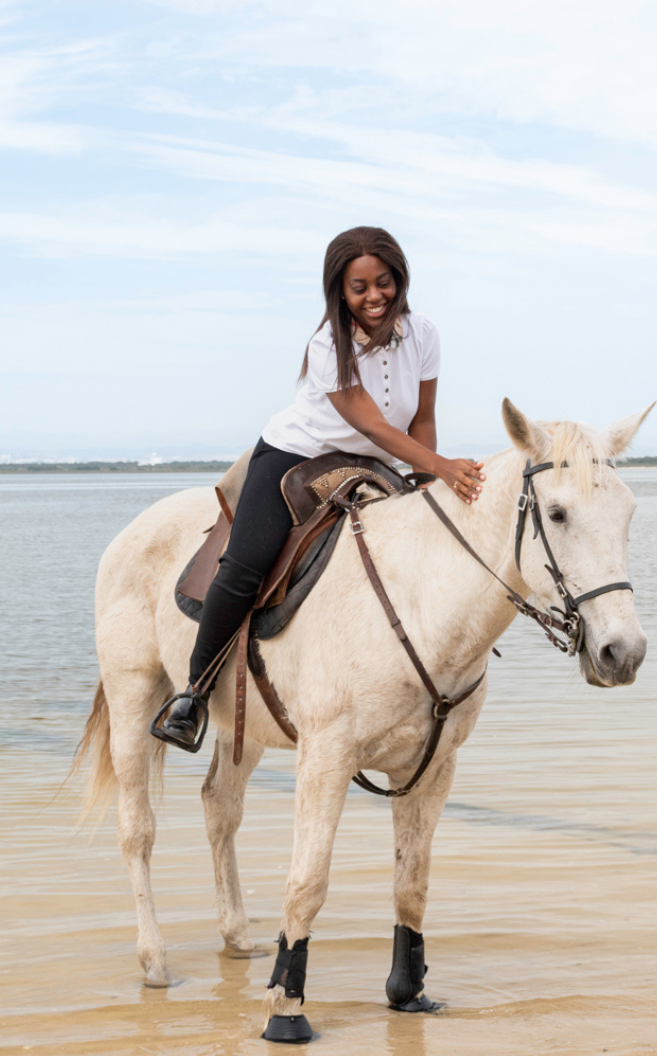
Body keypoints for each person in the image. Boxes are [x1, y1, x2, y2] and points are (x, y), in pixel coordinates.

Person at [153, 226, 487, 751]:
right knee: (246, 563)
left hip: (376, 461)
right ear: (340, 292)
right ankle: (192, 693)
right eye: (360, 287)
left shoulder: (424, 333)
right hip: (298, 453)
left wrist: (427, 486)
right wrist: (444, 467)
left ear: (400, 280)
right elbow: (376, 424)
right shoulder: (327, 344)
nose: (374, 296)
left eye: (384, 282)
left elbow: (421, 420)